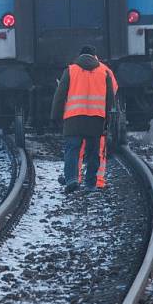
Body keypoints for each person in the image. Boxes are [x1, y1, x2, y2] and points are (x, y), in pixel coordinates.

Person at [51, 44, 115, 193]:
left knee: (72, 149)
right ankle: (91, 183)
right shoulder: (104, 72)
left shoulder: (71, 70)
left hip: (73, 119)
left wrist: (55, 117)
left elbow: (60, 95)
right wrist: (108, 121)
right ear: (95, 56)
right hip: (96, 120)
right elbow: (110, 100)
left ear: (80, 56)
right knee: (93, 153)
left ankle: (71, 179)